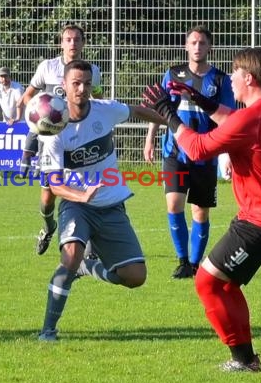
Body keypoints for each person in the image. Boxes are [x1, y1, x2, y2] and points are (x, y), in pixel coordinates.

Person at [142, 48, 261, 371]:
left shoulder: (251, 117)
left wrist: (168, 114)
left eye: (235, 73)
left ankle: (243, 360)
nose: (230, 78)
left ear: (249, 79)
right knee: (225, 284)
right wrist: (198, 98)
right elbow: (232, 119)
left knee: (206, 283)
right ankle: (247, 358)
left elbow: (198, 149)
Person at [37, 59, 166, 341]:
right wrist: (81, 195)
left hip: (111, 205)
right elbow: (55, 185)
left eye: (85, 83)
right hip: (77, 205)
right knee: (69, 256)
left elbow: (136, 111)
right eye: (75, 83)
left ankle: (89, 266)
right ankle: (48, 330)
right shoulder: (55, 130)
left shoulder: (105, 110)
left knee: (135, 277)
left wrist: (173, 124)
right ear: (64, 88)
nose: (81, 89)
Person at [143, 25, 236, 279]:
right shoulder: (173, 74)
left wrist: (225, 154)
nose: (197, 47)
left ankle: (195, 265)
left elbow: (226, 119)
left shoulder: (220, 79)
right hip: (175, 152)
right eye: (193, 42)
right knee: (174, 204)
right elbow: (159, 108)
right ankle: (183, 260)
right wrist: (150, 138)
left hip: (206, 154)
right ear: (186, 46)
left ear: (210, 47)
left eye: (202, 43)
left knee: (200, 211)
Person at [18, 24, 102, 255]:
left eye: (77, 39)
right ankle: (48, 227)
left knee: (87, 186)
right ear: (61, 43)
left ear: (83, 43)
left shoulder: (92, 71)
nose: (72, 43)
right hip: (52, 141)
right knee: (48, 197)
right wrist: (39, 116)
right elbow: (27, 97)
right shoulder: (47, 67)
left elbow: (99, 102)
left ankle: (89, 240)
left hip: (80, 140)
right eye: (68, 39)